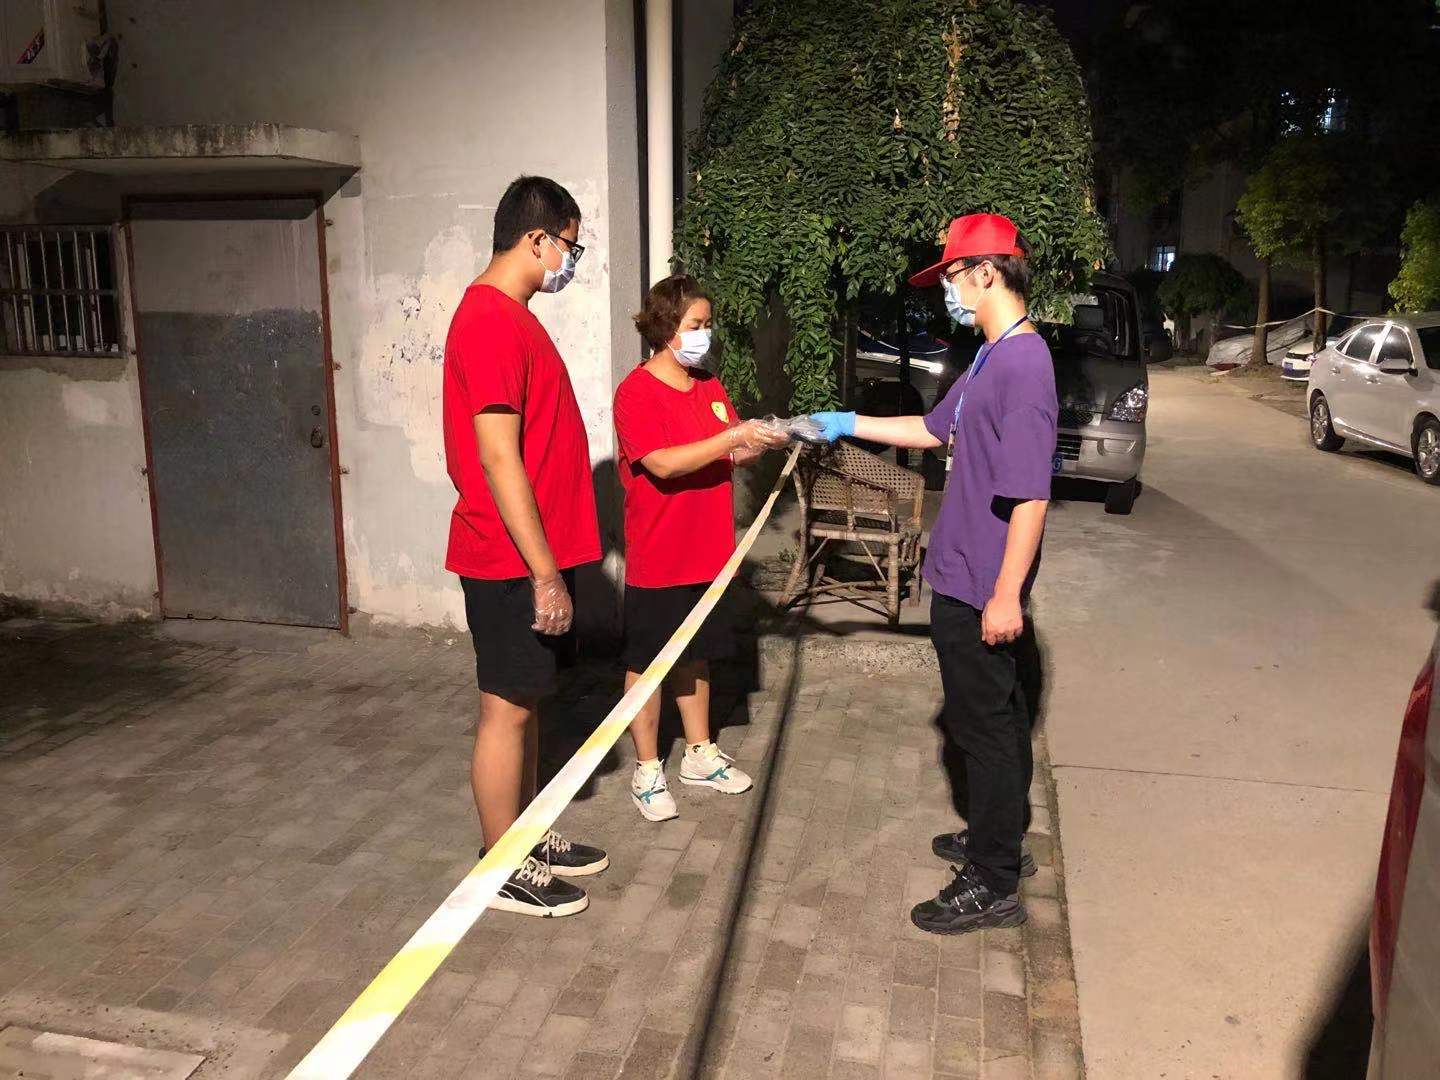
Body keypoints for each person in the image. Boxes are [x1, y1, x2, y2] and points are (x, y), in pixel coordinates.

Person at [809, 213, 1057, 934]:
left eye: (951, 274)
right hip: (963, 571)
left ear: (988, 272)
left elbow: (1031, 495)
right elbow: (929, 429)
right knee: (995, 720)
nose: (946, 287)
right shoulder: (989, 356)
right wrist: (843, 422)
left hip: (982, 583)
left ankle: (994, 880)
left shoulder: (1023, 365)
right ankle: (996, 837)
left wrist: (1005, 595)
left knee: (986, 729)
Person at [442, 175, 608, 918]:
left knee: (530, 702)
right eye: (570, 245)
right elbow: (498, 456)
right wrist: (545, 574)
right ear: (536, 239)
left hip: (535, 557)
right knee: (505, 709)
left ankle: (527, 833)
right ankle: (498, 865)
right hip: (508, 560)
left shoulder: (513, 317)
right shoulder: (488, 320)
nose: (571, 261)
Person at [613, 275, 789, 822]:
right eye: (696, 324)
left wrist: (761, 439)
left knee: (697, 653)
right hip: (660, 553)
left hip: (709, 552)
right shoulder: (636, 392)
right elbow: (663, 463)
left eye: (708, 324)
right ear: (666, 327)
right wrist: (730, 439)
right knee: (648, 663)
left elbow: (730, 449)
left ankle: (698, 753)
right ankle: (647, 769)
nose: (705, 334)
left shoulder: (709, 385)